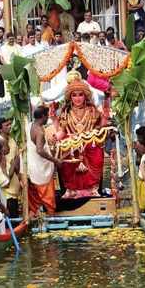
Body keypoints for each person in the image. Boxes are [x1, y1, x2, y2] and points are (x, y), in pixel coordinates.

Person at [53, 71, 107, 199]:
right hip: (71, 144)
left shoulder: (92, 111)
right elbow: (62, 131)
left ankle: (92, 188)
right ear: (70, 97)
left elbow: (100, 127)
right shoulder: (66, 112)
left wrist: (106, 111)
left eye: (80, 95)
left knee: (97, 153)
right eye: (74, 95)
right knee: (65, 153)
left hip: (89, 143)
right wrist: (57, 136)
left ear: (85, 96)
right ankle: (71, 190)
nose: (77, 98)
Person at [28, 106, 60, 215]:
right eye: (47, 115)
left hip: (32, 169)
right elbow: (40, 150)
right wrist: (55, 160)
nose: (48, 118)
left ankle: (37, 218)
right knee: (48, 199)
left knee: (35, 199)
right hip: (41, 171)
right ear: (43, 116)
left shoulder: (29, 126)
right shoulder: (40, 132)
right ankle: (52, 219)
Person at [0, 118, 21, 217]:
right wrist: (14, 164)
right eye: (7, 125)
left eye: (10, 124)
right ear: (0, 129)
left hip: (15, 184)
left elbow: (16, 157)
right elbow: (2, 168)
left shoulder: (12, 139)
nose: (10, 127)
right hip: (7, 189)